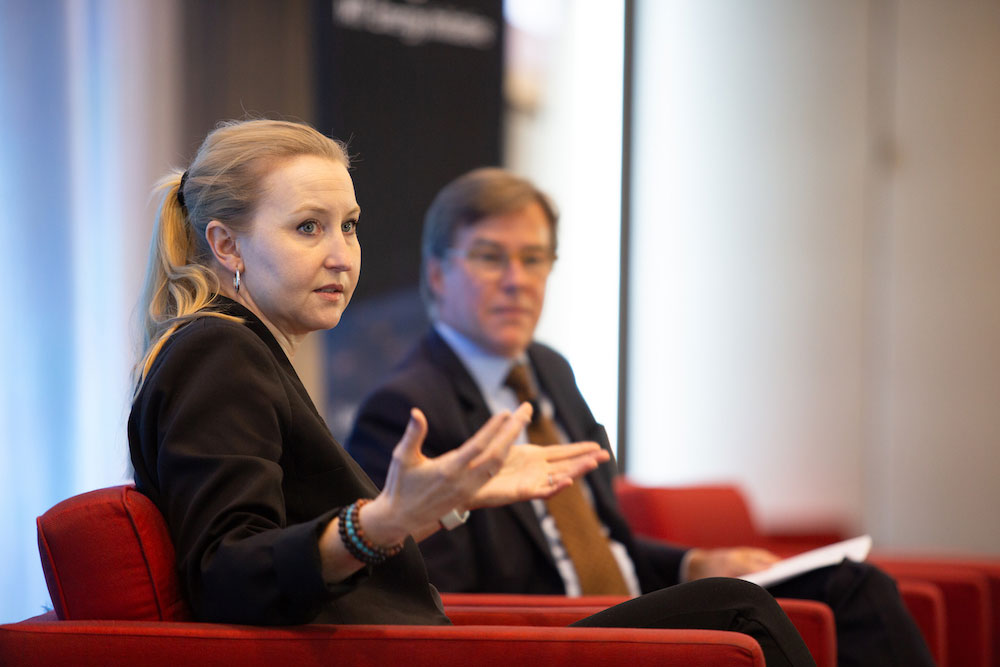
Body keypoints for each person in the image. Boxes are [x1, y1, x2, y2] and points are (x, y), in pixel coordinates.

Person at [127, 119, 814, 665]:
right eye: (309, 226)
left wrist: (451, 499)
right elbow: (231, 574)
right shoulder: (216, 351)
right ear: (227, 244)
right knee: (735, 610)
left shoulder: (241, 349)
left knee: (740, 604)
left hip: (419, 642)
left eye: (350, 224)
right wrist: (383, 519)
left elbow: (305, 543)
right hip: (410, 653)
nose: (342, 253)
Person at [345, 167, 935, 666]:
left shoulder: (550, 371)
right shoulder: (407, 408)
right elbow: (436, 602)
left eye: (533, 258)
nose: (516, 281)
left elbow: (609, 541)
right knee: (741, 609)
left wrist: (690, 561)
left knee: (852, 585)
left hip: (626, 604)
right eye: (490, 257)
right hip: (548, 636)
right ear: (437, 274)